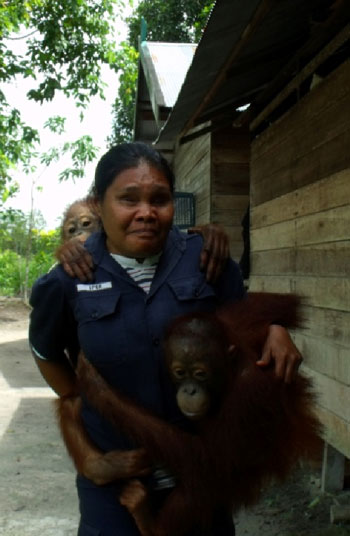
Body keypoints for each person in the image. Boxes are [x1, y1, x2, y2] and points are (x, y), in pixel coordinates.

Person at [29, 142, 302, 536]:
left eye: (160, 199)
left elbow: (243, 320)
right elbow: (45, 350)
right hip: (116, 482)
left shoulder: (206, 256)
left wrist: (275, 327)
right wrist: (78, 404)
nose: (146, 213)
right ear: (98, 204)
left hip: (199, 480)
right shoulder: (67, 278)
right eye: (128, 200)